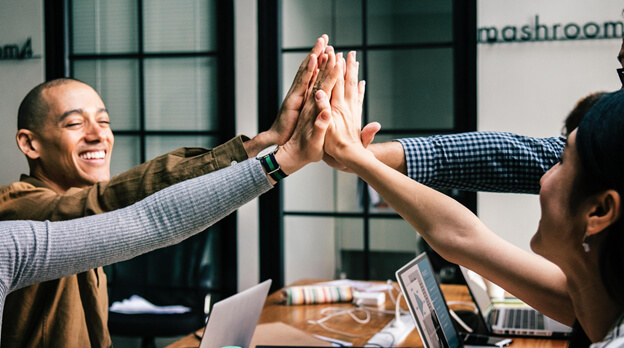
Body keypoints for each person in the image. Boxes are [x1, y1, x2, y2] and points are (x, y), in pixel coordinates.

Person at [0, 36, 341, 347]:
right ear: (30, 144)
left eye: (103, 121)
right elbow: (119, 207)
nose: (98, 135)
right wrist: (264, 147)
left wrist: (278, 143)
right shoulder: (16, 209)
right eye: (75, 123)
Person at [319, 51, 624, 346]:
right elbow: (462, 237)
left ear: (600, 210)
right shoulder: (598, 300)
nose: (542, 176)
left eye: (562, 161)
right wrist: (358, 157)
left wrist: (357, 156)